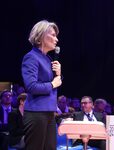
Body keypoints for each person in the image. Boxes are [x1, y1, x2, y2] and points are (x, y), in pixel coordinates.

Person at [21, 20, 62, 150]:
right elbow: (31, 86)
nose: (56, 40)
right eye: (53, 35)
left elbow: (56, 82)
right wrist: (52, 84)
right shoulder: (31, 57)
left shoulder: (48, 58)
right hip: (36, 113)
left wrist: (59, 73)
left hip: (49, 112)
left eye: (56, 36)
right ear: (40, 37)